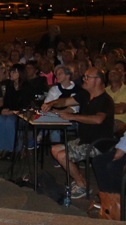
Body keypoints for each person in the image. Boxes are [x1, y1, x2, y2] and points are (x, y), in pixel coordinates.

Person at [48, 67, 116, 199]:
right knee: (55, 149)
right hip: (84, 139)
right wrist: (52, 103)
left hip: (98, 143)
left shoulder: (105, 100)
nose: (83, 79)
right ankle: (80, 181)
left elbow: (98, 119)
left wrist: (73, 116)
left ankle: (82, 186)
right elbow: (66, 101)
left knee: (62, 155)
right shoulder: (85, 94)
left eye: (87, 77)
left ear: (98, 80)